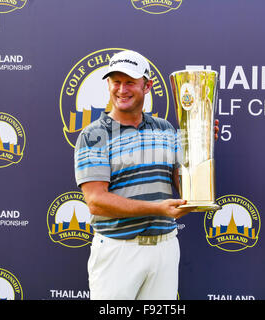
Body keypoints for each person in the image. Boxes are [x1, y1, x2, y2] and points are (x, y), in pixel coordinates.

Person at [74, 50, 219, 300]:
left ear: (147, 85)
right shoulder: (94, 135)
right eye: (115, 81)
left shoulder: (165, 130)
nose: (121, 89)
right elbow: (96, 201)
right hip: (118, 250)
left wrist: (199, 141)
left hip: (164, 247)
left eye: (129, 82)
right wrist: (157, 208)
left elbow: (183, 185)